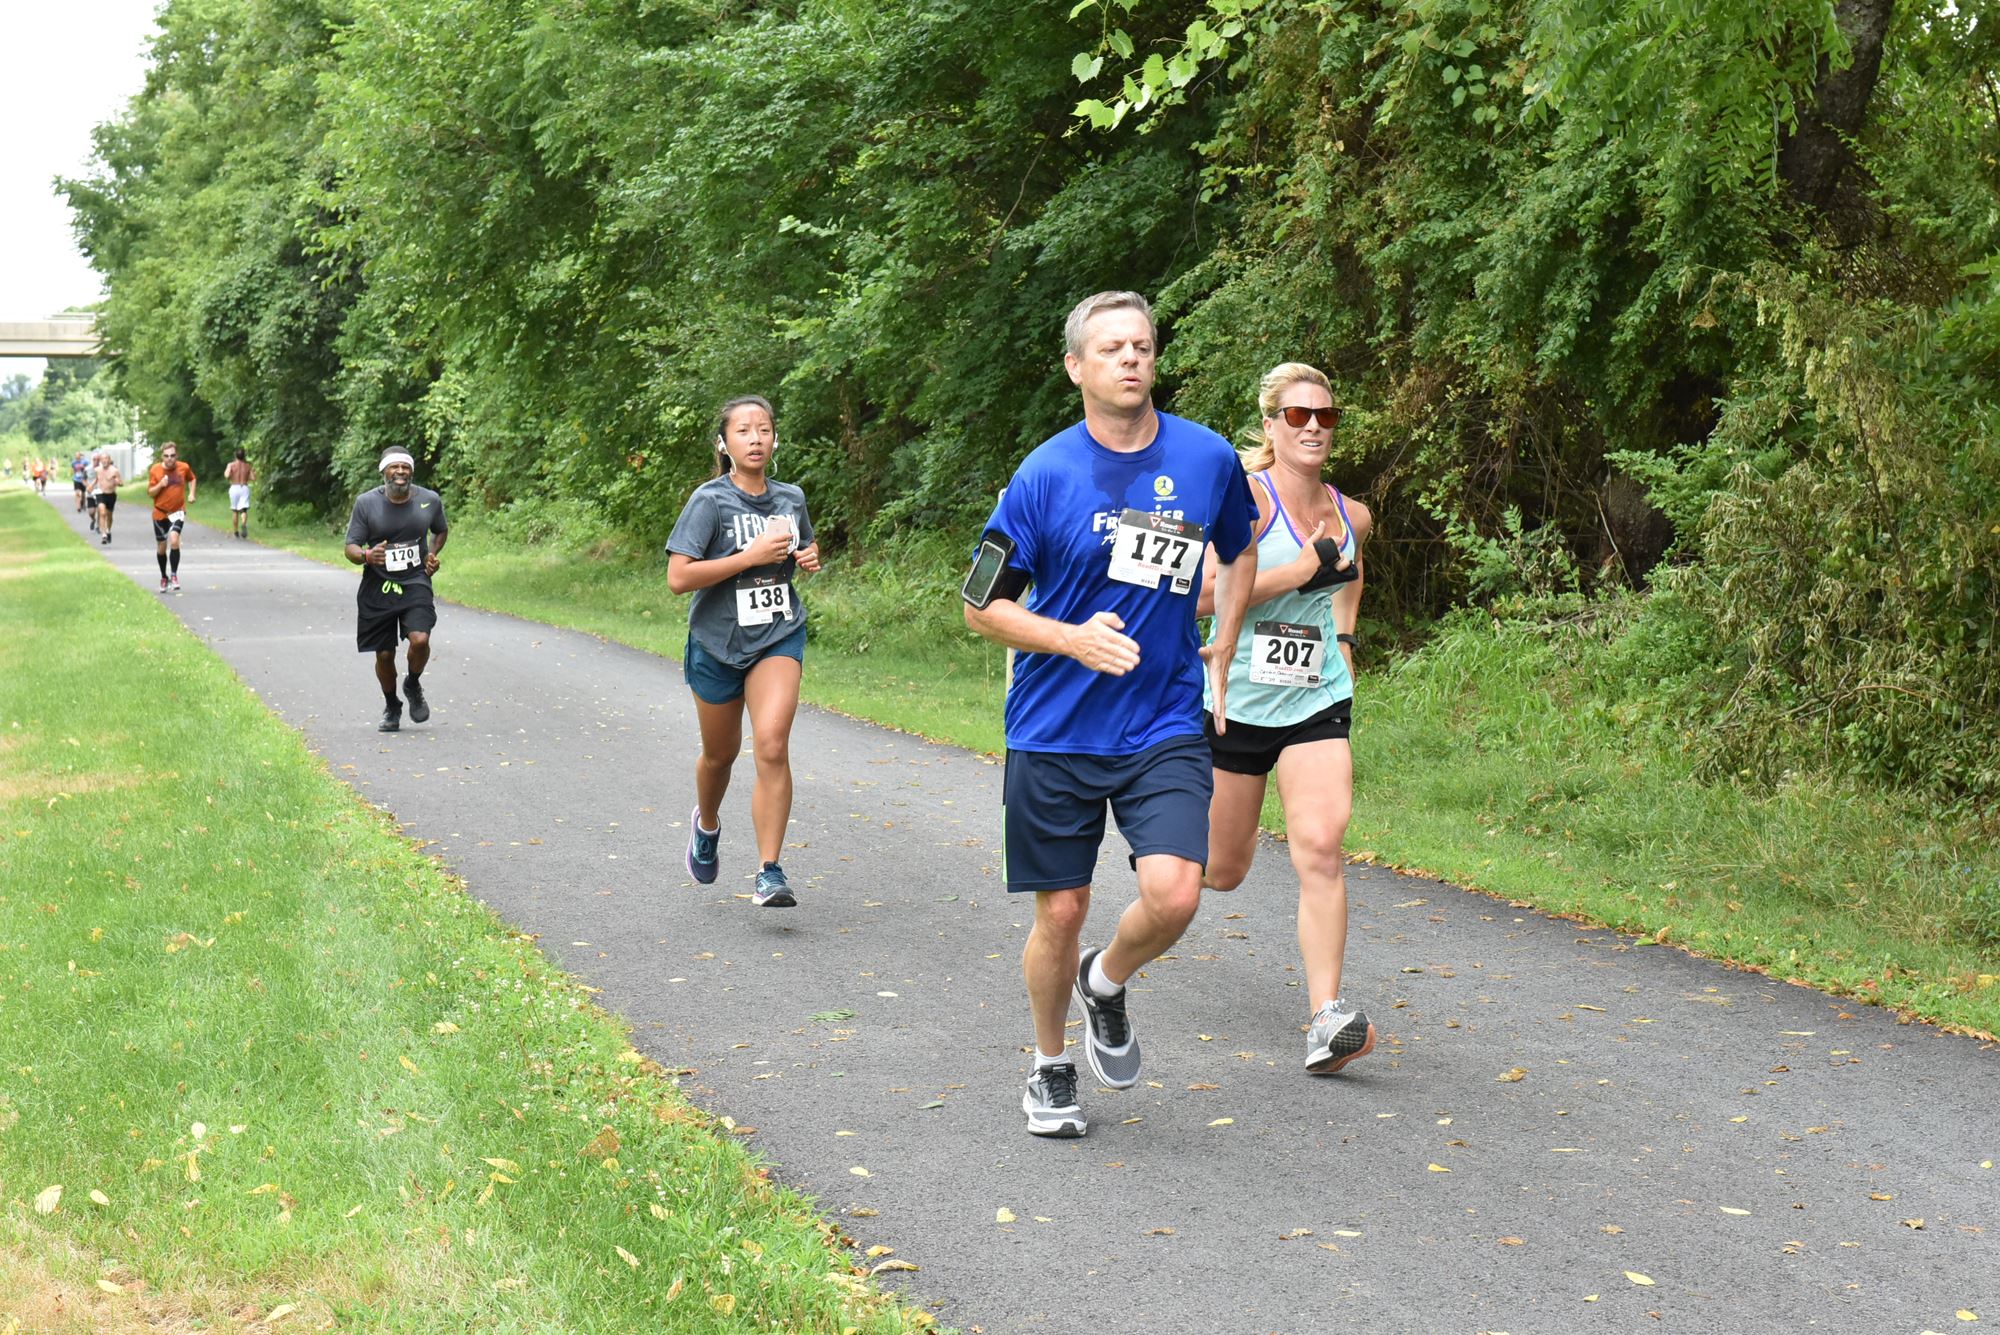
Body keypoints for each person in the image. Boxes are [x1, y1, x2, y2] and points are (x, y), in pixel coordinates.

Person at [962, 291, 1258, 1138]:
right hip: (1054, 728)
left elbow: (1238, 552)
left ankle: (1108, 978)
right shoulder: (1043, 474)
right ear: (1076, 368)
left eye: (1142, 345)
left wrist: (1226, 644)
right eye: (1112, 348)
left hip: (1163, 718)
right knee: (1059, 910)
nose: (1130, 358)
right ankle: (1050, 1065)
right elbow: (980, 605)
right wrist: (1069, 638)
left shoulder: (1206, 458)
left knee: (1175, 894)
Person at [1196, 363, 1376, 1075]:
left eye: (1325, 418)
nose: (1312, 427)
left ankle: (1326, 1016)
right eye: (1297, 415)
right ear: (1270, 424)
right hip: (1237, 701)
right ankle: (1160, 854)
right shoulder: (1245, 501)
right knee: (1221, 871)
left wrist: (1346, 642)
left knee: (1322, 845)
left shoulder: (1351, 513)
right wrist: (1296, 572)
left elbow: (1352, 575)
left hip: (1316, 700)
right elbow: (1203, 596)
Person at [665, 395, 822, 909]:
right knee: (721, 755)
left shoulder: (790, 497)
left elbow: (800, 551)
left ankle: (769, 870)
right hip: (716, 643)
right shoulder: (709, 501)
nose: (755, 439)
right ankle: (706, 824)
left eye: (764, 430)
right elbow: (678, 578)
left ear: (775, 440)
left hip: (777, 634)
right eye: (744, 431)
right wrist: (747, 557)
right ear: (724, 443)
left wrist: (808, 556)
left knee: (772, 745)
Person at [344, 450, 448, 732]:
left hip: (415, 580)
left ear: (411, 472)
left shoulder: (429, 500)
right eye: (394, 467)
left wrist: (432, 554)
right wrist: (366, 556)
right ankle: (392, 706)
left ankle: (412, 684)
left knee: (420, 640)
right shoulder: (367, 503)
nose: (400, 471)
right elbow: (350, 547)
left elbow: (440, 530)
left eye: (405, 467)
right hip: (378, 586)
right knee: (385, 655)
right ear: (384, 472)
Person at [147, 443, 197, 592]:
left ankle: (174, 575)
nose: (170, 459)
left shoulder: (184, 467)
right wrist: (161, 485)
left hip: (177, 511)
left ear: (177, 455)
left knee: (174, 540)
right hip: (160, 512)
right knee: (161, 548)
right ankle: (164, 577)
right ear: (162, 456)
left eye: (172, 455)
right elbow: (150, 493)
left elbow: (192, 479)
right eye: (166, 456)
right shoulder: (155, 470)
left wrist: (192, 493)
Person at [92, 453, 123, 545]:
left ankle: (108, 530)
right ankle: (104, 534)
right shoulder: (97, 470)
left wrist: (118, 482)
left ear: (109, 460)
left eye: (106, 458)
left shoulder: (115, 471)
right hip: (100, 493)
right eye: (102, 459)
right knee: (102, 512)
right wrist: (91, 486)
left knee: (109, 516)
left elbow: (121, 483)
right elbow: (96, 479)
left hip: (111, 495)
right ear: (100, 461)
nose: (104, 460)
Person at [224, 449, 255, 538]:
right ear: (244, 456)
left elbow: (226, 475)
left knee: (235, 511)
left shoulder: (231, 465)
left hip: (234, 487)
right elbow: (253, 478)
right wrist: (247, 476)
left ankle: (236, 531)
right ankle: (244, 524)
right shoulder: (247, 466)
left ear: (235, 455)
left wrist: (230, 473)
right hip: (244, 487)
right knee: (243, 510)